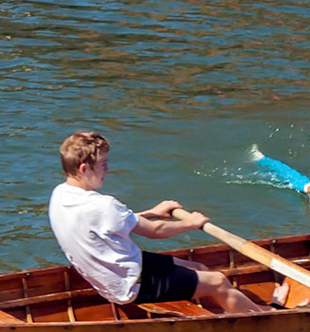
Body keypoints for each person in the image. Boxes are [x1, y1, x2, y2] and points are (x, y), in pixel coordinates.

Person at [47, 131, 261, 314]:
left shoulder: (60, 195)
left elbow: (111, 222)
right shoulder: (103, 205)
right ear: (84, 169)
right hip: (130, 284)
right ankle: (266, 315)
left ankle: (221, 314)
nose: (107, 169)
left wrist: (152, 212)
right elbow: (155, 231)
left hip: (115, 274)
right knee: (218, 281)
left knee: (199, 267)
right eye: (103, 165)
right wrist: (192, 223)